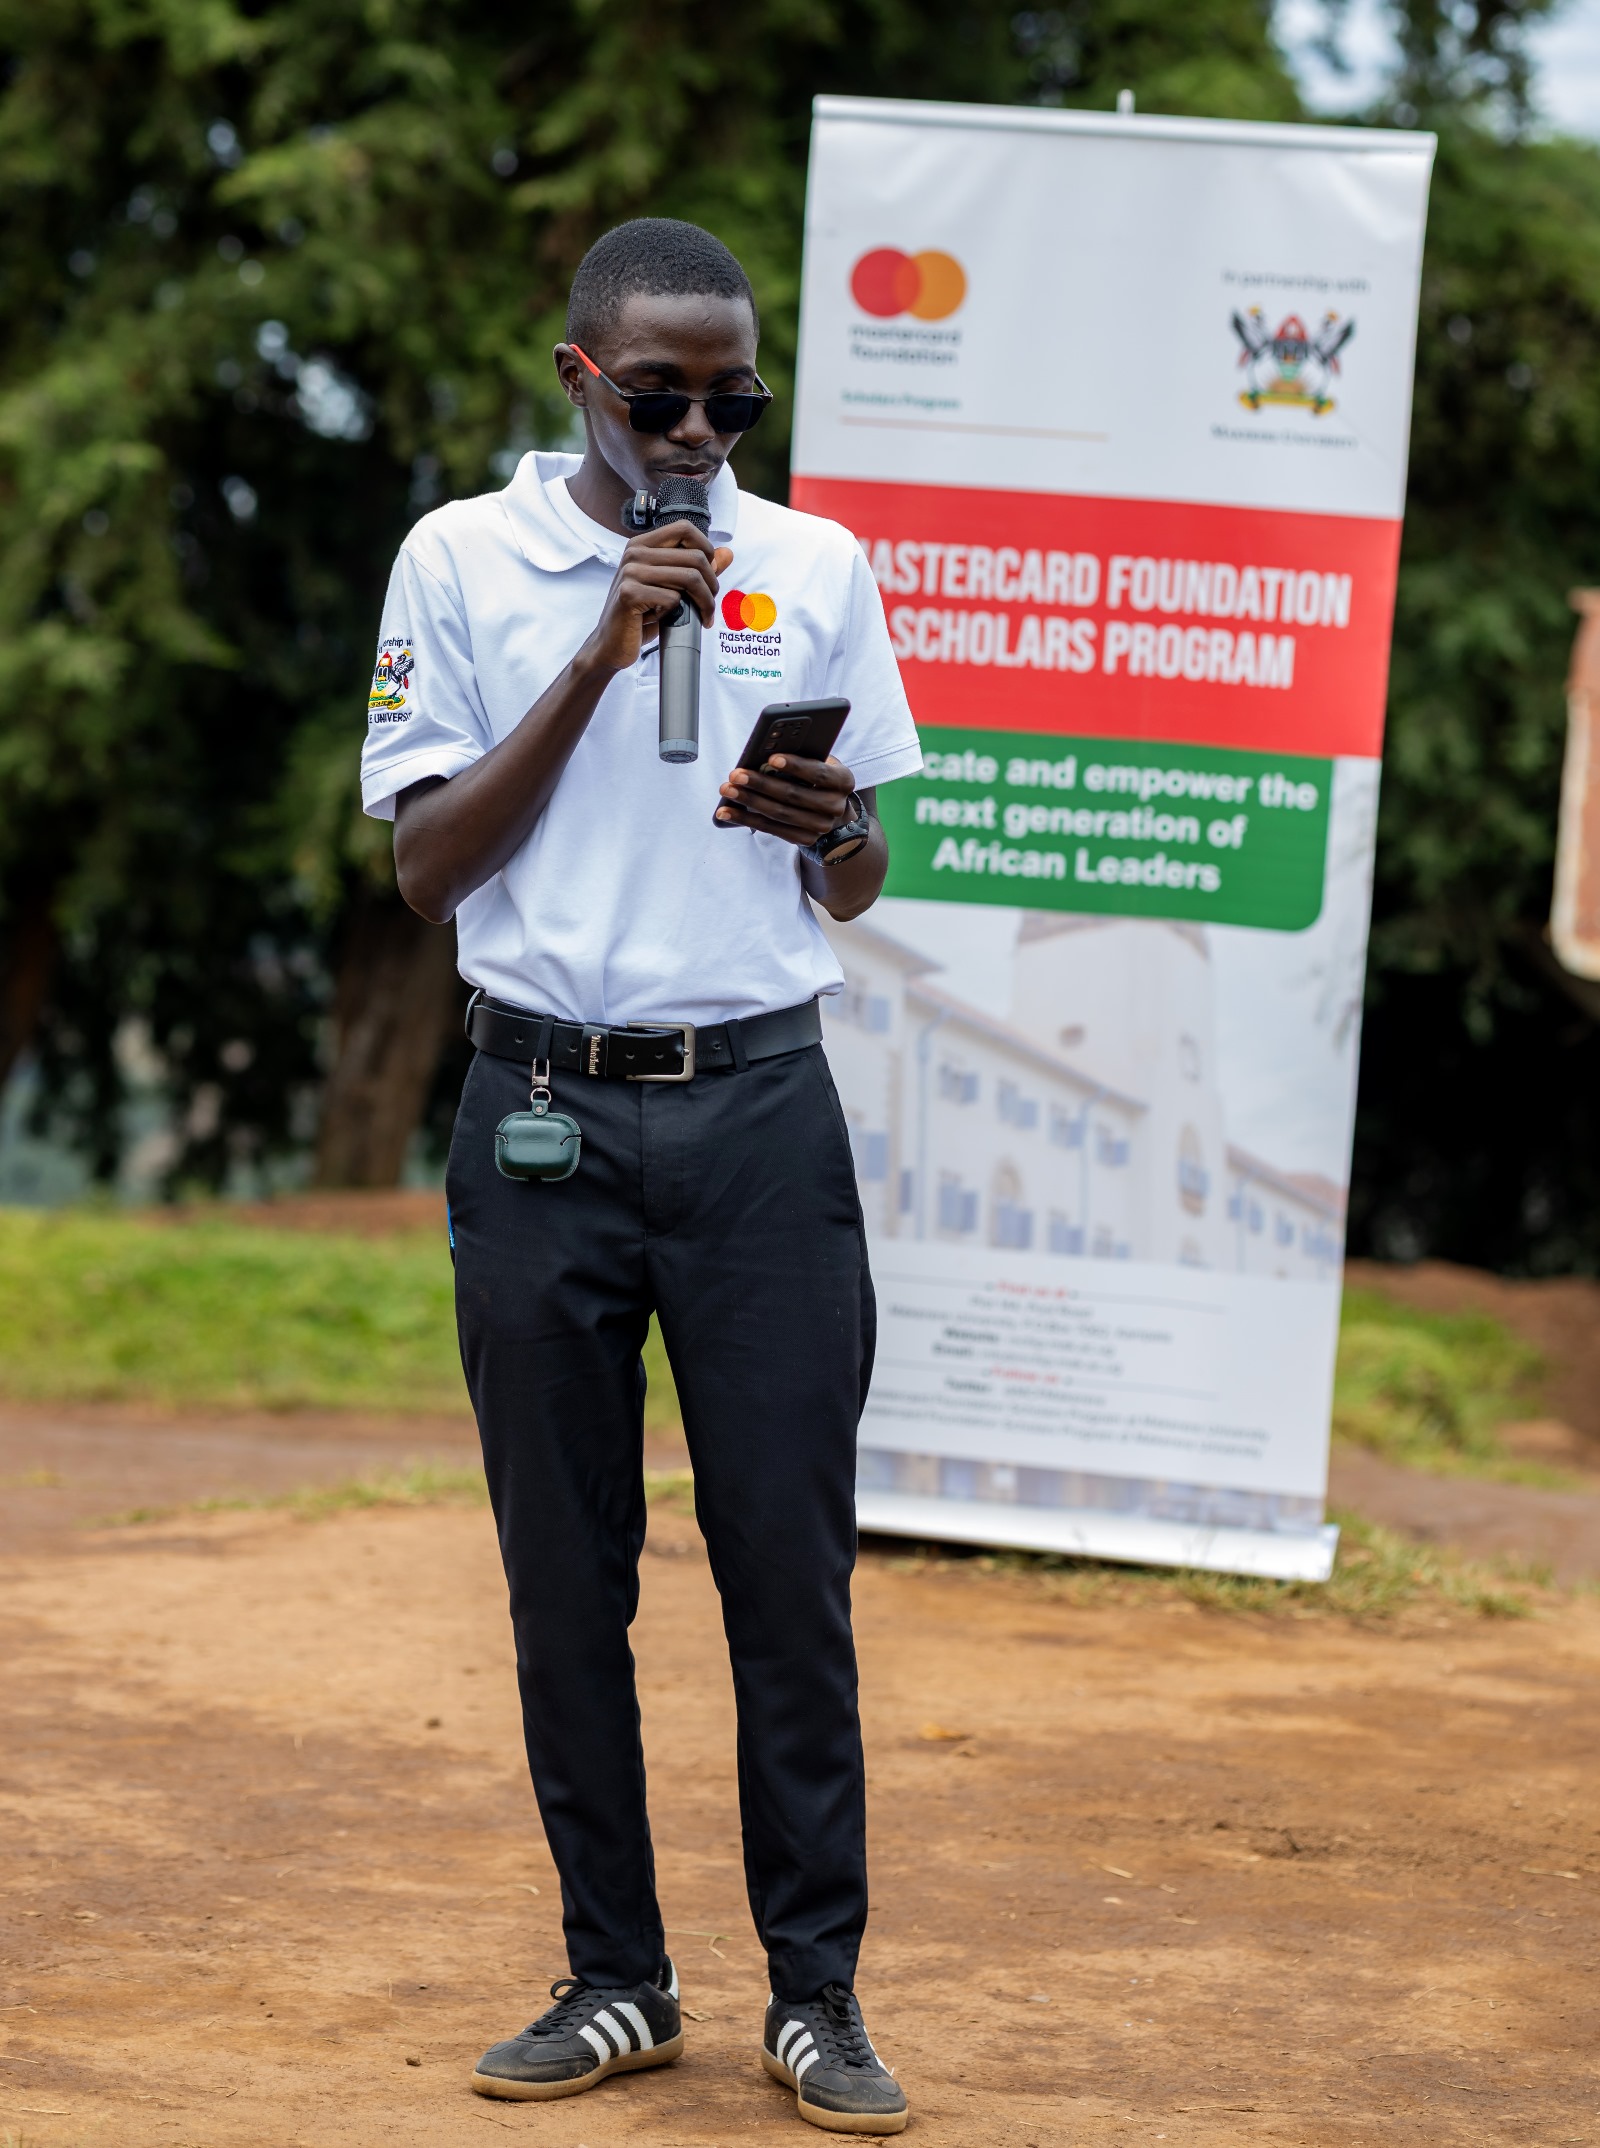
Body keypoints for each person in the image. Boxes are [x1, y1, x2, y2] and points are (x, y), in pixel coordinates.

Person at [358, 218, 921, 2134]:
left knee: (788, 1566)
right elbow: (432, 868)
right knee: (561, 1574)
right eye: (663, 396)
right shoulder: (461, 559)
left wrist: (832, 824)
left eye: (733, 397)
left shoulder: (818, 565)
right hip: (542, 1120)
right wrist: (604, 648)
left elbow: (857, 883)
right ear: (583, 379)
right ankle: (616, 1979)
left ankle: (818, 1999)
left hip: (762, 1114)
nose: (701, 432)